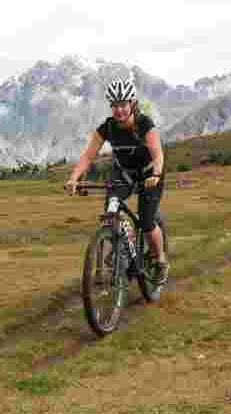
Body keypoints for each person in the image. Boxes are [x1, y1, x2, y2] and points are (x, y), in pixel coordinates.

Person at [65, 78, 168, 284]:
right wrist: (74, 178)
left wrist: (156, 174)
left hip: (149, 175)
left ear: (132, 103)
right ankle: (117, 249)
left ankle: (160, 261)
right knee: (111, 214)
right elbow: (88, 156)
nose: (119, 110)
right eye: (114, 106)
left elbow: (158, 155)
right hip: (123, 174)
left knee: (147, 222)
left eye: (123, 104)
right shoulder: (107, 128)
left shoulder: (144, 124)